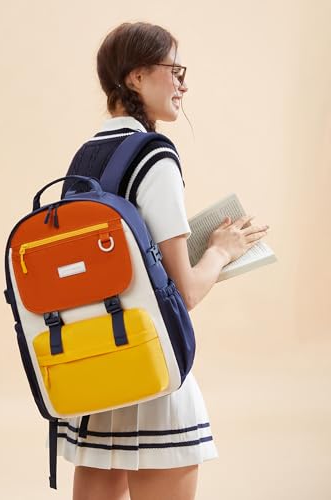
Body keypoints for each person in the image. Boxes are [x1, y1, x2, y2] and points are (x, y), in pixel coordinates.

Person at [59, 22, 269, 500]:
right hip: (150, 367)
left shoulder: (85, 157)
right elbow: (185, 292)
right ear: (136, 77)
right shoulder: (154, 155)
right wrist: (221, 250)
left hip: (96, 370)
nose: (182, 84)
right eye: (174, 70)